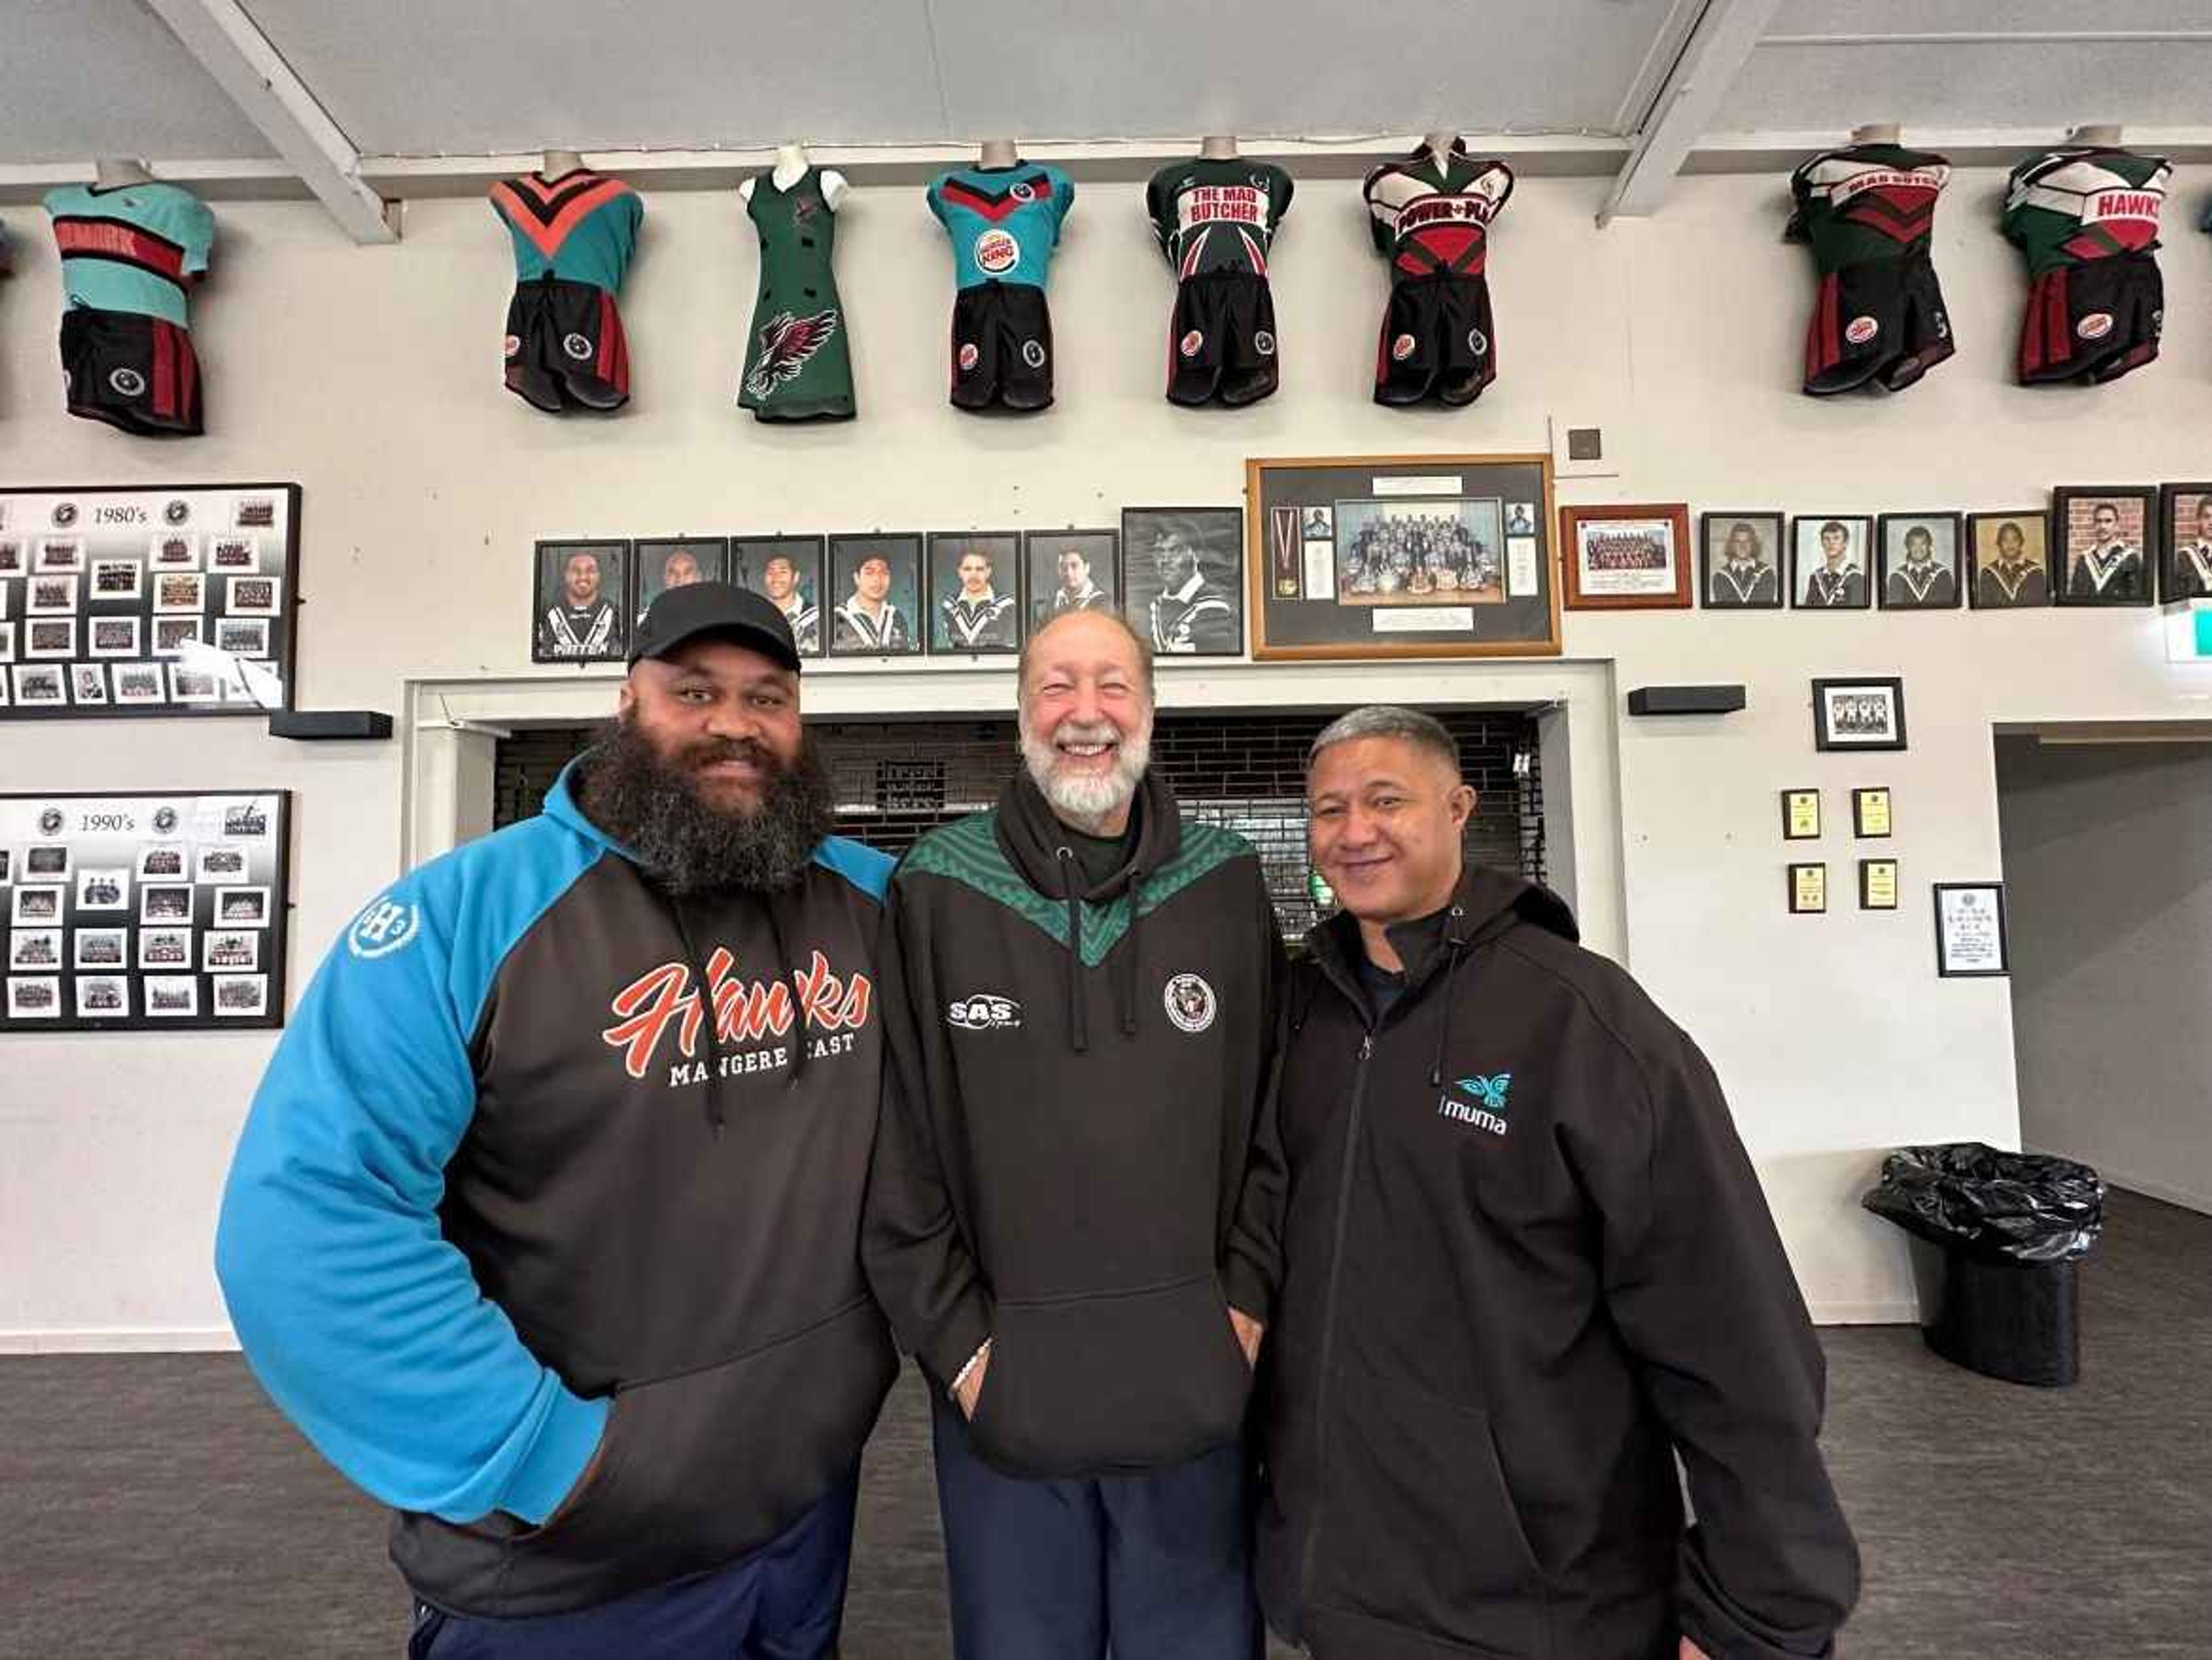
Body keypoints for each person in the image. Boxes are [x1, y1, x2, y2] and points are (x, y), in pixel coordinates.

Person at [216, 583, 899, 1657]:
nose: (735, 722)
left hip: (800, 1508)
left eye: (768, 697)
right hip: (570, 1549)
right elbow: (309, 1224)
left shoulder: (873, 906)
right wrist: (550, 1458)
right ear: (627, 703)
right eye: (695, 691)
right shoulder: (463, 917)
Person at [1257, 706, 1859, 1660]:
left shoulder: (1586, 1023)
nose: (1354, 831)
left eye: (1386, 800)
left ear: (1458, 808)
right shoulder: (1296, 1017)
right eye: (1328, 809)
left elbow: (1733, 1329)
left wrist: (1759, 1604)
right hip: (1343, 1584)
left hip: (1543, 1596)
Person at [864, 608, 1286, 1660]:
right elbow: (893, 1145)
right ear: (1020, 714)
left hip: (1195, 1393)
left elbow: (1282, 1122)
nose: (1085, 714)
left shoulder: (1226, 882)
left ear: (1149, 710)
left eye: (1112, 686)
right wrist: (964, 1356)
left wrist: (1240, 1309)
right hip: (1006, 1402)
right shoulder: (935, 886)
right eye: (1057, 686)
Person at [1146, 526, 1237, 653]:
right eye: (1159, 552)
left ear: (1197, 555)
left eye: (1175, 551)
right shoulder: (1152, 607)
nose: (1165, 560)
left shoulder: (1213, 607)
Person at [543, 548, 621, 658]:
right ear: (566, 575)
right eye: (575, 571)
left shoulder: (615, 613)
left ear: (599, 576)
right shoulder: (548, 614)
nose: (583, 577)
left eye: (591, 571)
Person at [940, 546, 1018, 650]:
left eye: (980, 569)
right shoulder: (948, 605)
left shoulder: (1007, 605)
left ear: (988, 572)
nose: (973, 575)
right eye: (967, 569)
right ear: (960, 572)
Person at [833, 551, 911, 651]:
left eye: (884, 573)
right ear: (857, 578)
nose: (877, 579)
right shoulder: (834, 617)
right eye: (870, 573)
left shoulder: (897, 617)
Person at [2070, 501, 2146, 600]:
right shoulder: (2084, 559)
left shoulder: (2130, 558)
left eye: (2108, 521)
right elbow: (2075, 596)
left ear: (2117, 525)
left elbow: (2137, 598)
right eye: (2099, 521)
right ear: (2094, 525)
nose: (2103, 526)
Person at [760, 550, 821, 654]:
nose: (776, 578)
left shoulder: (816, 617)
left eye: (783, 572)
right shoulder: (754, 616)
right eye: (770, 572)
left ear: (796, 577)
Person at [1977, 520, 2048, 606]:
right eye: (2005, 540)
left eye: (2015, 539)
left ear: (2021, 542)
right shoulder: (1988, 573)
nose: (2010, 544)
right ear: (1999, 543)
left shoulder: (2036, 573)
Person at [1884, 524, 1955, 607]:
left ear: (1929, 545)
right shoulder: (1897, 577)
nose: (1919, 548)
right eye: (1914, 544)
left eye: (1923, 544)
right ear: (1908, 547)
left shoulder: (1943, 575)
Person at [1710, 520, 1778, 606]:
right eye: (1738, 542)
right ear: (1732, 545)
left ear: (1753, 544)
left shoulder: (1767, 574)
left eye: (1747, 542)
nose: (1743, 546)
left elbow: (1766, 606)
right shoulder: (1720, 577)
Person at [637, 546, 704, 627]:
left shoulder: (712, 617)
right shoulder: (647, 620)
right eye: (673, 573)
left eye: (687, 573)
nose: (680, 580)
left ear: (699, 578)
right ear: (665, 578)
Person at [1801, 520, 1864, 607]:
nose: (1831, 543)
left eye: (1836, 538)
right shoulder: (1815, 578)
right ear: (1822, 543)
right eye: (1827, 539)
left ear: (1845, 543)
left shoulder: (1856, 578)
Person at [1044, 543, 1109, 621]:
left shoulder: (1103, 602)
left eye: (1074, 566)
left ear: (1087, 568)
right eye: (1064, 568)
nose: (1069, 573)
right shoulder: (1054, 601)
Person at [2171, 495, 2212, 598]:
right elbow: (2178, 599)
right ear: (2198, 520)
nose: (2211, 522)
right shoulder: (2184, 556)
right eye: (2207, 517)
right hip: (2196, 614)